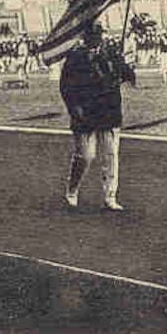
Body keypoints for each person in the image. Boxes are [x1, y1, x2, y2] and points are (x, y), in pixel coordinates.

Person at [60, 22, 136, 211]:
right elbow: (66, 86)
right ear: (86, 37)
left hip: (109, 111)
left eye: (99, 34)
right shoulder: (76, 56)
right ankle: (72, 190)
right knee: (85, 155)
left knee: (110, 156)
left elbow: (127, 74)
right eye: (93, 35)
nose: (97, 38)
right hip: (85, 112)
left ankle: (110, 196)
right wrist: (74, 107)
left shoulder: (111, 52)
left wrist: (124, 72)